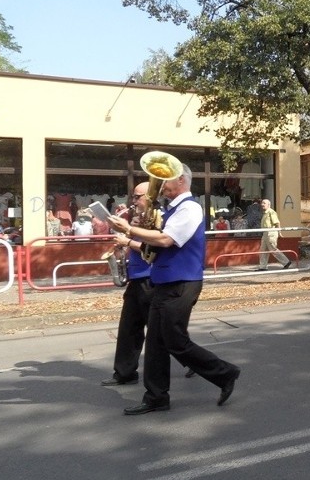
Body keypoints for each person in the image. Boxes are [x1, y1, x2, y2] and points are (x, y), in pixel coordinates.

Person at [107, 163, 241, 415]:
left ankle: (225, 373)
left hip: (182, 282)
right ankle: (156, 397)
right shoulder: (172, 210)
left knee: (174, 341)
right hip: (166, 281)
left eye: (165, 181)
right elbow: (157, 248)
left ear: (180, 181)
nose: (162, 187)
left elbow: (167, 240)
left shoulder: (189, 208)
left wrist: (129, 230)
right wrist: (140, 235)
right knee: (157, 342)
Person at [101, 183, 153, 387]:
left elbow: (154, 249)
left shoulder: (157, 219)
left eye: (137, 197)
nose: (133, 201)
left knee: (163, 331)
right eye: (132, 197)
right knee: (128, 328)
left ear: (150, 197)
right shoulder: (137, 219)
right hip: (136, 276)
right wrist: (122, 247)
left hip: (151, 278)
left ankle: (191, 360)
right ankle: (124, 372)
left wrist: (128, 241)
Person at [257, 198, 292, 270]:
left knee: (273, 249)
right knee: (263, 250)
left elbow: (277, 223)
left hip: (271, 232)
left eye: (264, 203)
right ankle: (263, 266)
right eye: (262, 203)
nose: (262, 204)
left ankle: (286, 262)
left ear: (269, 205)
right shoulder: (265, 213)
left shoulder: (271, 212)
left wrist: (279, 232)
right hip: (265, 233)